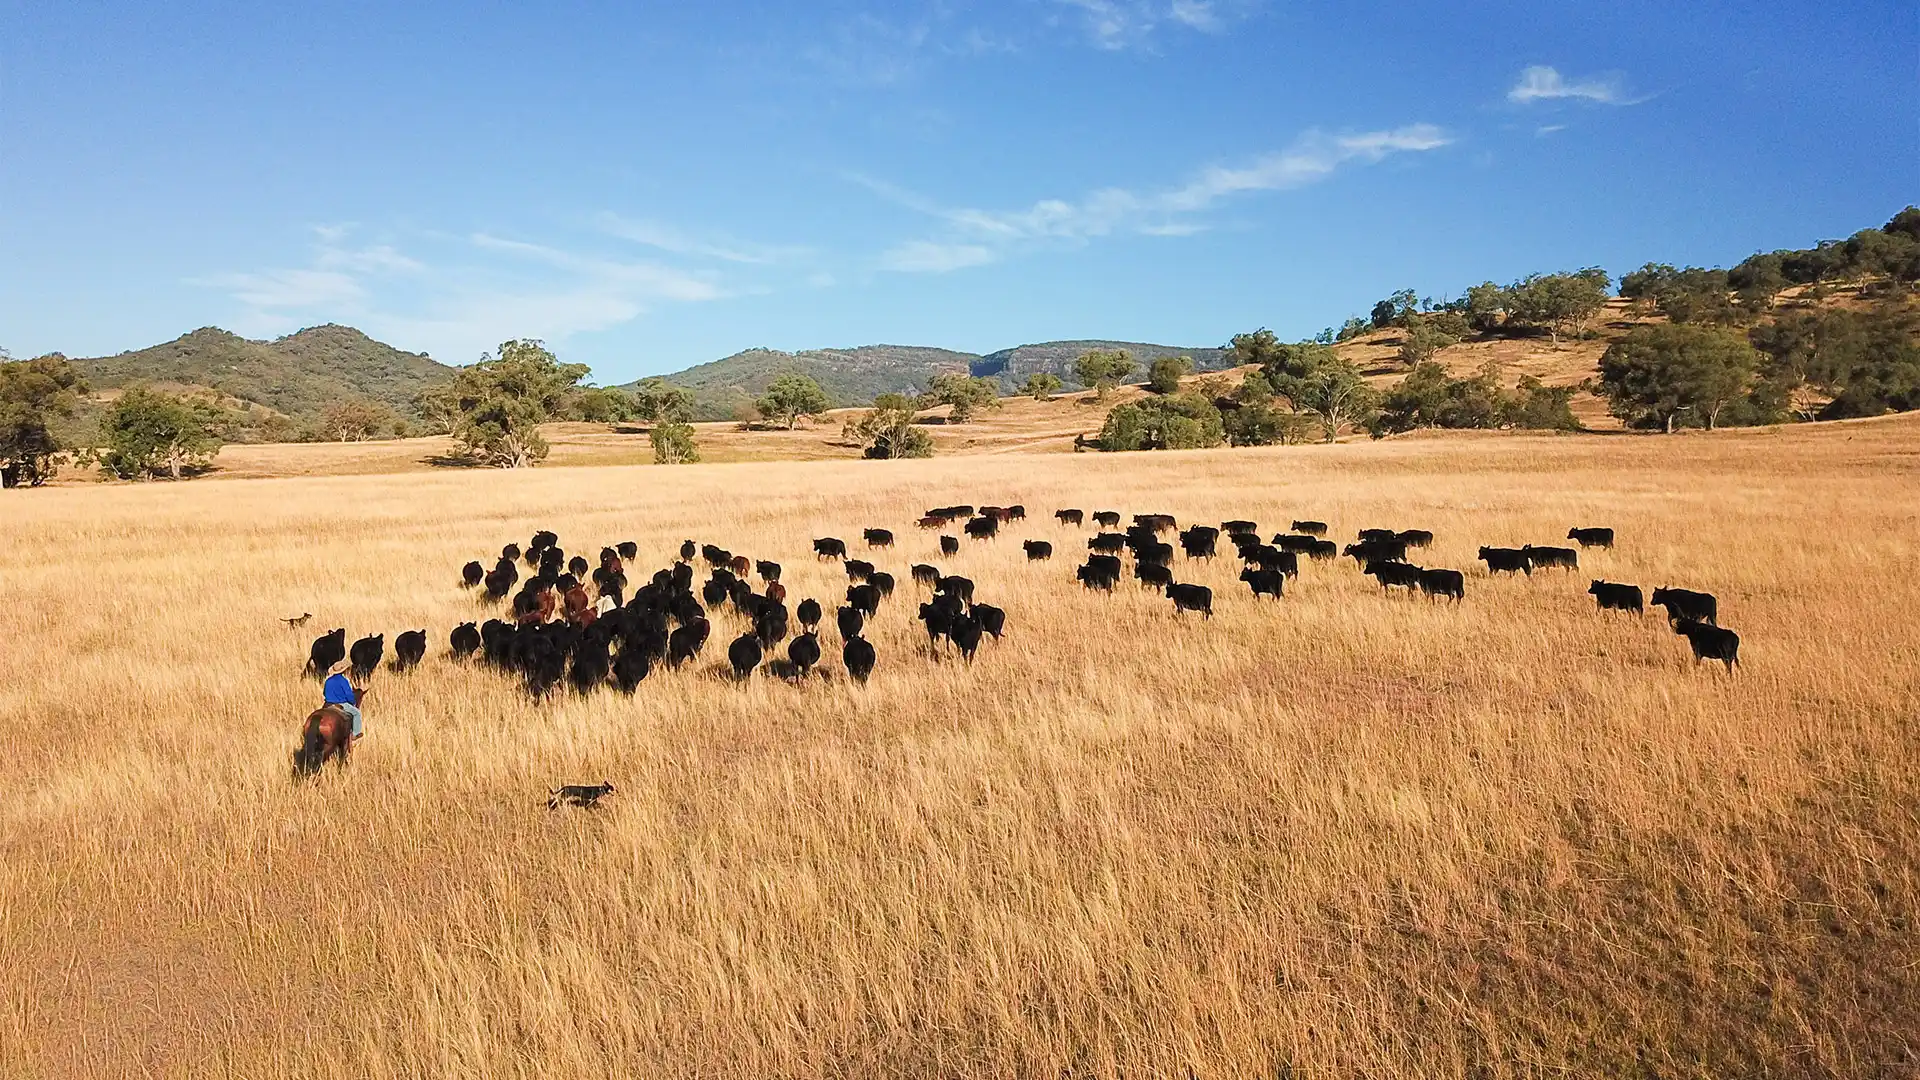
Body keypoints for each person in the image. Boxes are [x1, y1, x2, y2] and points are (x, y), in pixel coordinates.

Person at [322, 659, 364, 740]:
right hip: (341, 704)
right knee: (357, 713)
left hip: (327, 704)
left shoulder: (328, 681)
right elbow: (349, 695)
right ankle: (355, 734)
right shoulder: (343, 681)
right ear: (343, 670)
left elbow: (324, 693)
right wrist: (353, 702)